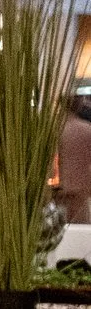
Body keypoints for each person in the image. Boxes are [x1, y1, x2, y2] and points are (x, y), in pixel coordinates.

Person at [59, 95, 91, 226]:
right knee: (81, 226)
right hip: (81, 185)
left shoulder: (54, 129)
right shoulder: (87, 129)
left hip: (58, 188)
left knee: (59, 228)